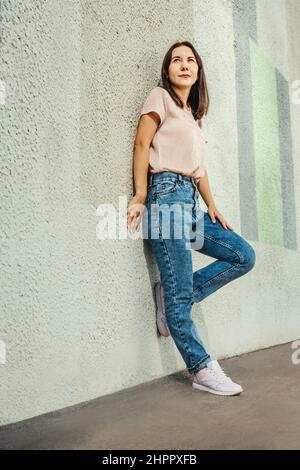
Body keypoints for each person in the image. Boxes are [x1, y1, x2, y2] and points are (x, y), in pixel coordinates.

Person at [126, 40, 256, 396]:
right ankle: (201, 369)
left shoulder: (193, 115)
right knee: (181, 299)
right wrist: (140, 194)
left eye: (190, 60)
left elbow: (199, 170)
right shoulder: (159, 98)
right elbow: (141, 144)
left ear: (198, 70)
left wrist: (212, 204)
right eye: (176, 60)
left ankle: (171, 297)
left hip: (191, 205)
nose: (184, 65)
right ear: (167, 70)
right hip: (166, 201)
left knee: (243, 255)